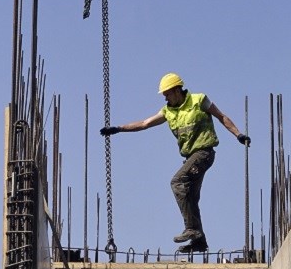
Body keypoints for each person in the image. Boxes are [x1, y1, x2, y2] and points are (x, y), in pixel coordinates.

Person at [100, 72, 250, 253]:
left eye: (167, 93)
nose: (165, 97)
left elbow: (221, 116)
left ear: (177, 90)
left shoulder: (199, 100)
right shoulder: (168, 112)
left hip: (204, 153)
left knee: (178, 182)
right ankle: (199, 241)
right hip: (190, 158)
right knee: (190, 197)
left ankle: (192, 229)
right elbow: (145, 123)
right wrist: (118, 129)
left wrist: (238, 134)